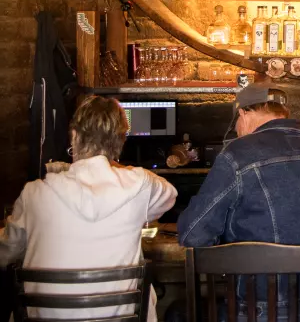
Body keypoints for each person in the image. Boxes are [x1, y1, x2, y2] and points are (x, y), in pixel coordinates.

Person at [178, 86, 300, 322]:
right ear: (284, 113)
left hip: (261, 312)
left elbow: (193, 235)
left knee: (177, 313)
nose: (236, 130)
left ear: (243, 114)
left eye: (236, 124)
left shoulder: (237, 155)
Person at [0, 95, 177, 319]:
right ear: (120, 142)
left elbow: (5, 252)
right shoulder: (140, 185)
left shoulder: (33, 194)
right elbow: (170, 195)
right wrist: (115, 166)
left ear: (74, 136)